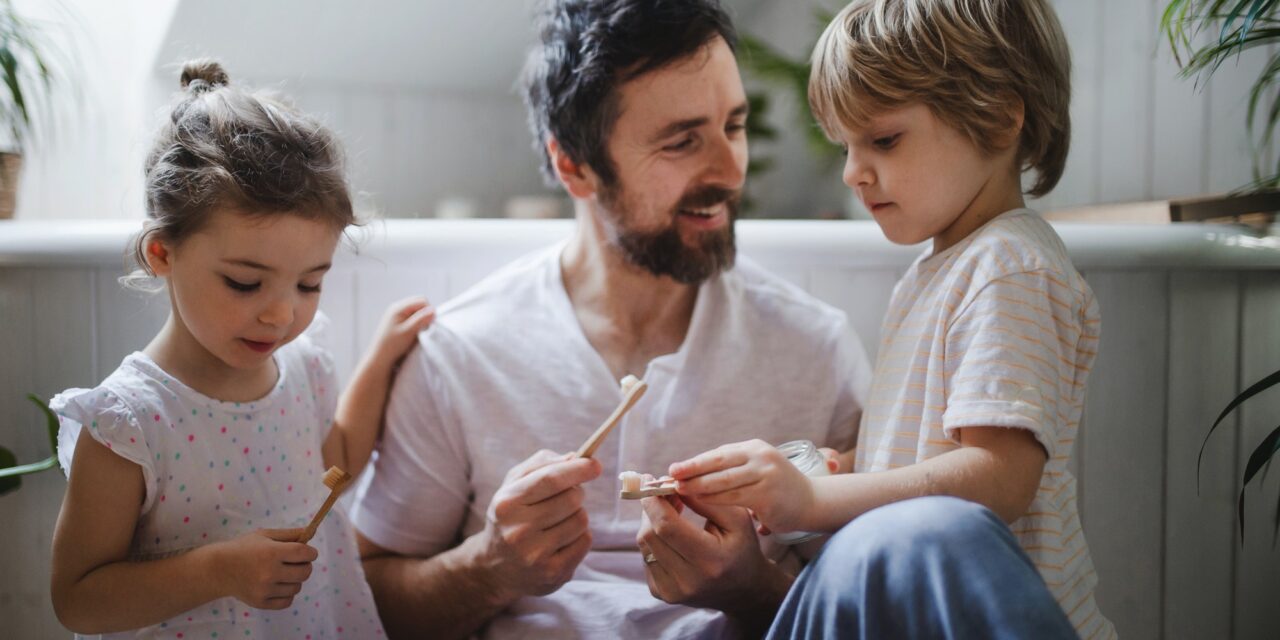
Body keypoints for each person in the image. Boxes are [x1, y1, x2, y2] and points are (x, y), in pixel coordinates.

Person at [349, 1, 870, 637]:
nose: (730, 170)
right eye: (682, 141)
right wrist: (491, 567)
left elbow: (871, 607)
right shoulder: (460, 353)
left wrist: (754, 589)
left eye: (733, 126)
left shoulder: (814, 348)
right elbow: (367, 599)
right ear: (574, 164)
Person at [665, 1, 1115, 637]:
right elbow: (935, 448)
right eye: (847, 145)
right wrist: (845, 468)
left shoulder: (1009, 267)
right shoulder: (942, 270)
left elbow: (1002, 476)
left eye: (883, 140)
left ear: (999, 116)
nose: (854, 171)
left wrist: (815, 500)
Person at [47, 59, 434, 639]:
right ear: (162, 254)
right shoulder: (129, 424)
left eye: (309, 283)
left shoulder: (303, 365)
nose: (282, 313)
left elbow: (334, 467)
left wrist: (381, 359)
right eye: (245, 283)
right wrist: (217, 570)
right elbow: (77, 599)